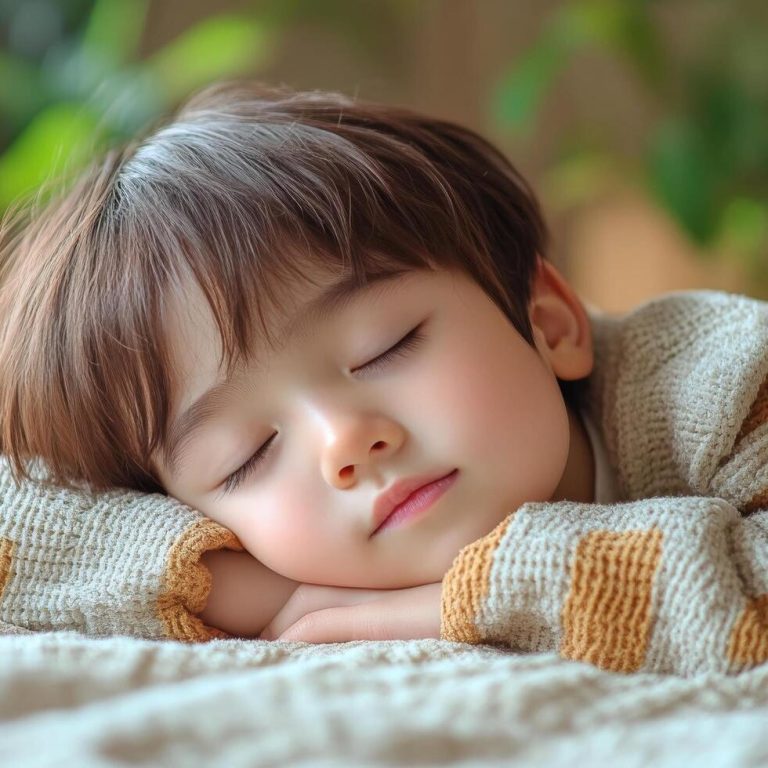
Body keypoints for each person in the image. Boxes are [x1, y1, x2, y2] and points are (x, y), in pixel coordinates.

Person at [0, 80, 766, 675]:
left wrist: (460, 601)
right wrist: (227, 584)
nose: (346, 442)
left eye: (385, 348)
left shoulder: (724, 381)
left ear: (550, 321)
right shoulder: (231, 549)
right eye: (248, 455)